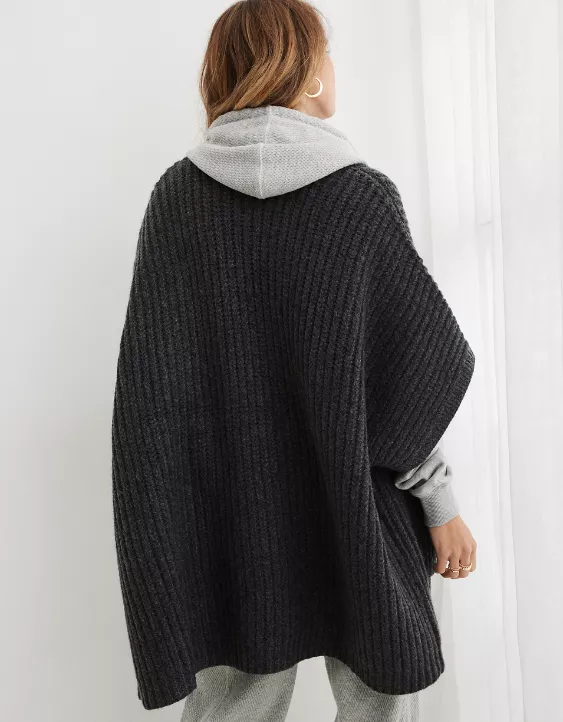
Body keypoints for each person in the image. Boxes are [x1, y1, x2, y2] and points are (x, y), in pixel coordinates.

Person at [111, 0, 477, 719]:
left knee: (235, 707)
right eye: (326, 53)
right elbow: (407, 379)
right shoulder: (361, 197)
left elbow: (153, 402)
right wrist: (439, 503)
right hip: (358, 510)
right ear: (305, 72)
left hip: (229, 523)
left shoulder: (177, 200)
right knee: (378, 700)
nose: (333, 67)